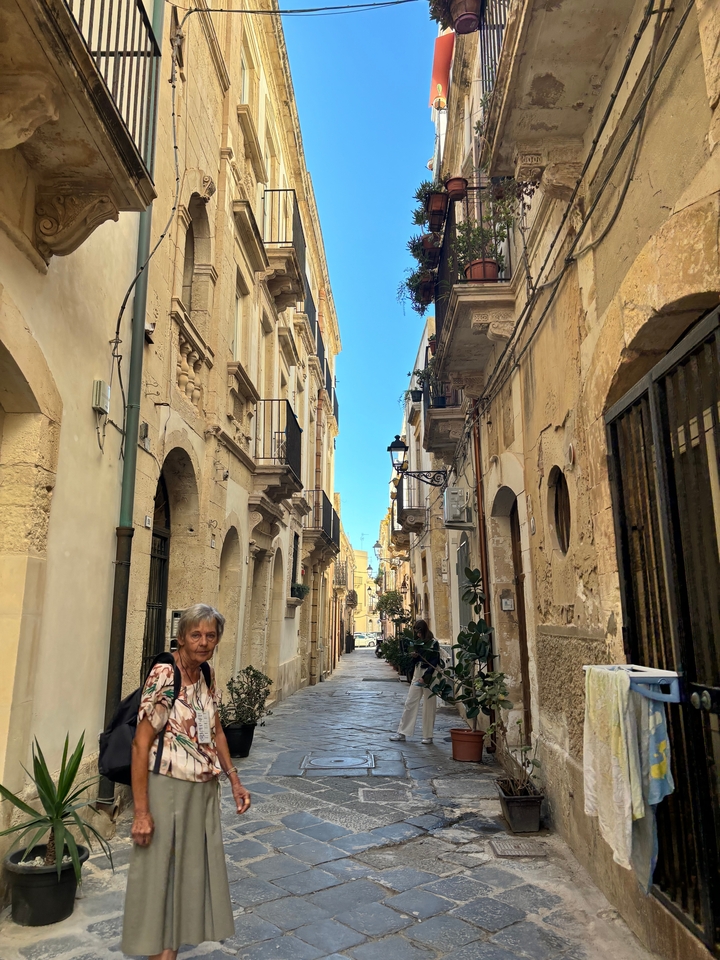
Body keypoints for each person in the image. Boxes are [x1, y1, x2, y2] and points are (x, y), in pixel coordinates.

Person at [122, 603, 251, 960]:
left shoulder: (206, 673)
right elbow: (140, 743)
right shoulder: (166, 674)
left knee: (184, 878)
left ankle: (169, 953)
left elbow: (217, 732)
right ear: (181, 638)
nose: (203, 642)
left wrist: (234, 780)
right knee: (159, 879)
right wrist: (142, 813)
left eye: (211, 635)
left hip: (201, 792)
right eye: (196, 635)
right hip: (167, 789)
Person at [389, 619, 441, 744]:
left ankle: (428, 736)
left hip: (430, 674)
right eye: (416, 632)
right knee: (410, 702)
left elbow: (434, 660)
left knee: (429, 705)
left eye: (419, 632)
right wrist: (414, 656)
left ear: (424, 631)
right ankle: (402, 732)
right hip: (418, 672)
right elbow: (416, 661)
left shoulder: (433, 643)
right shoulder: (417, 643)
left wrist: (426, 676)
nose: (418, 634)